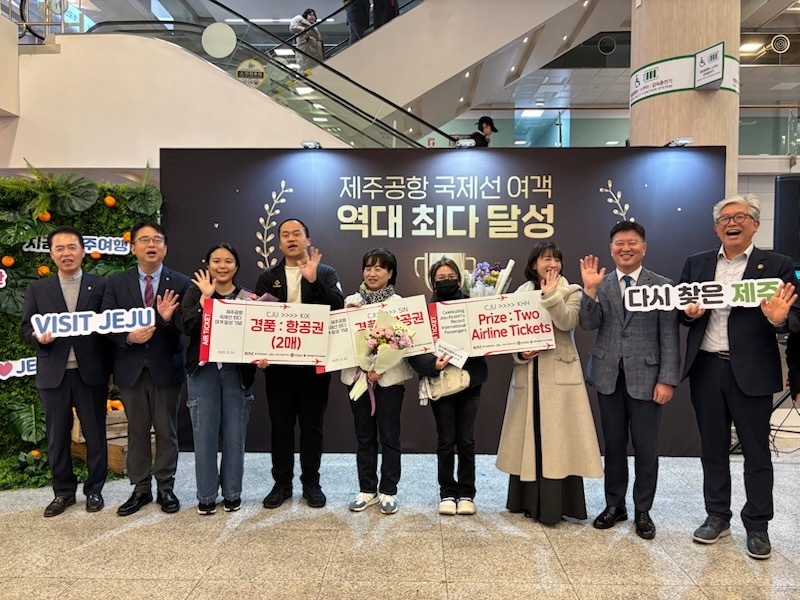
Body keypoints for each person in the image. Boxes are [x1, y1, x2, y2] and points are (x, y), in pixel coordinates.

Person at [680, 194, 800, 560]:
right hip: (706, 367)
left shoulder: (778, 265)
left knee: (756, 451)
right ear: (716, 227)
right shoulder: (697, 263)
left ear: (755, 224)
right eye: (724, 219)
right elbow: (680, 312)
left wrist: (779, 319)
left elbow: (795, 318)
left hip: (752, 370)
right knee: (712, 447)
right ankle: (717, 515)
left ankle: (758, 524)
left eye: (740, 217)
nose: (731, 223)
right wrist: (688, 314)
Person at [579, 220, 680, 540]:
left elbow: (669, 336)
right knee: (613, 446)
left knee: (647, 448)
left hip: (648, 379)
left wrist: (667, 379)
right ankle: (615, 505)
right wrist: (589, 291)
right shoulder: (601, 283)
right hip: (608, 377)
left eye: (632, 243)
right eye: (619, 243)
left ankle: (643, 510)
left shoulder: (662, 285)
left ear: (644, 248)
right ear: (611, 249)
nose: (626, 248)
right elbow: (587, 324)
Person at [497, 242, 603, 525]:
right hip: (528, 377)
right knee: (529, 438)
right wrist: (520, 354)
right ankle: (525, 501)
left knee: (558, 443)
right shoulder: (519, 295)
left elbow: (567, 322)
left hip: (559, 380)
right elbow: (510, 335)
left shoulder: (571, 291)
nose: (552, 263)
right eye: (546, 259)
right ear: (534, 264)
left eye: (556, 259)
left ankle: (557, 505)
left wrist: (551, 295)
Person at [21, 226, 111, 517]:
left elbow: (109, 328)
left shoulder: (100, 285)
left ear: (83, 251)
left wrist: (111, 370)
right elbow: (26, 327)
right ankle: (63, 492)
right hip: (53, 373)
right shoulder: (38, 289)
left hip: (91, 372)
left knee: (95, 433)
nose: (66, 253)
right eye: (59, 248)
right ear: (51, 254)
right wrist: (37, 337)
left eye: (72, 247)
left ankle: (95, 489)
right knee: (57, 437)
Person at [102, 221, 190, 517]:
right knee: (136, 431)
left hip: (166, 368)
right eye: (144, 240)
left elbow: (188, 325)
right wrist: (127, 337)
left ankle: (165, 486)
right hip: (131, 368)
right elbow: (106, 322)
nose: (151, 245)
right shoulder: (116, 282)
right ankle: (140, 488)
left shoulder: (181, 282)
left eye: (157, 239)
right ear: (133, 247)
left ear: (165, 247)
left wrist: (166, 319)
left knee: (167, 431)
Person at [255, 219, 344, 509]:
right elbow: (260, 319)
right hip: (278, 368)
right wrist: (259, 351)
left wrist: (314, 281)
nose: (291, 238)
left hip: (314, 367)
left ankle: (311, 483)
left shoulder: (325, 272)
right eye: (285, 235)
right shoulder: (268, 276)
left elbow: (338, 307)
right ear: (279, 243)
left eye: (297, 234)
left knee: (312, 427)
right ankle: (281, 483)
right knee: (280, 427)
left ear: (307, 239)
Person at [177, 243, 261, 515]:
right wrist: (205, 299)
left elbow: (258, 335)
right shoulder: (194, 292)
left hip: (237, 373)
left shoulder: (248, 298)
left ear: (236, 266)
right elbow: (186, 326)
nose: (222, 266)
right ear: (208, 264)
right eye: (216, 261)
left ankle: (233, 494)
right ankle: (206, 495)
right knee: (204, 435)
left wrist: (262, 355)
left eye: (228, 261)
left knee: (235, 436)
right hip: (203, 372)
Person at [408, 258, 488, 516]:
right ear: (432, 282)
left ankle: (466, 493)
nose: (446, 281)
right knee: (445, 440)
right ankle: (447, 492)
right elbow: (414, 351)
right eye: (440, 278)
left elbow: (488, 338)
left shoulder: (474, 305)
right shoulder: (424, 312)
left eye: (451, 276)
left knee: (466, 440)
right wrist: (433, 364)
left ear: (459, 279)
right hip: (440, 383)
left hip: (470, 381)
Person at [342, 248, 413, 515]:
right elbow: (340, 343)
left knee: (390, 436)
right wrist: (346, 317)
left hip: (389, 380)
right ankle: (367, 489)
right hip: (358, 379)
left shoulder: (399, 304)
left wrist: (381, 367)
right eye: (368, 267)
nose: (372, 273)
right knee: (364, 436)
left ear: (390, 273)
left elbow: (406, 343)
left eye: (379, 268)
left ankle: (389, 491)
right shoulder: (350, 301)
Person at [289, 9, 324, 73]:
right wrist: (304, 30)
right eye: (310, 15)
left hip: (314, 53)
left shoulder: (314, 27)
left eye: (313, 15)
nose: (312, 17)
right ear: (306, 16)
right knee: (304, 69)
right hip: (306, 51)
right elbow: (292, 28)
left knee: (314, 71)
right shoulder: (301, 23)